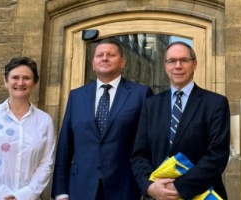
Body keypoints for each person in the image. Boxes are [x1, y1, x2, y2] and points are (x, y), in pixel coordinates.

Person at [52, 39, 153, 199]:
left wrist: (146, 185)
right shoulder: (76, 96)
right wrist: (60, 191)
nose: (104, 58)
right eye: (99, 55)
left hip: (125, 187)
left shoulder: (140, 94)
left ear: (123, 62)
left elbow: (147, 144)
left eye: (111, 55)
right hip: (81, 187)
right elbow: (65, 144)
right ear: (93, 63)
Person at [131, 41, 231, 200]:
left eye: (184, 60)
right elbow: (139, 155)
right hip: (158, 195)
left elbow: (217, 155)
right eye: (172, 61)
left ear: (194, 65)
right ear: (165, 66)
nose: (177, 66)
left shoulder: (215, 103)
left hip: (201, 194)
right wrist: (149, 186)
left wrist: (178, 187)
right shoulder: (151, 104)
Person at [0, 57, 55, 200]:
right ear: (5, 81)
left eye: (26, 78)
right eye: (15, 77)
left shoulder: (44, 120)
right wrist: (1, 194)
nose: (20, 83)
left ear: (35, 82)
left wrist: (24, 195)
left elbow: (47, 163)